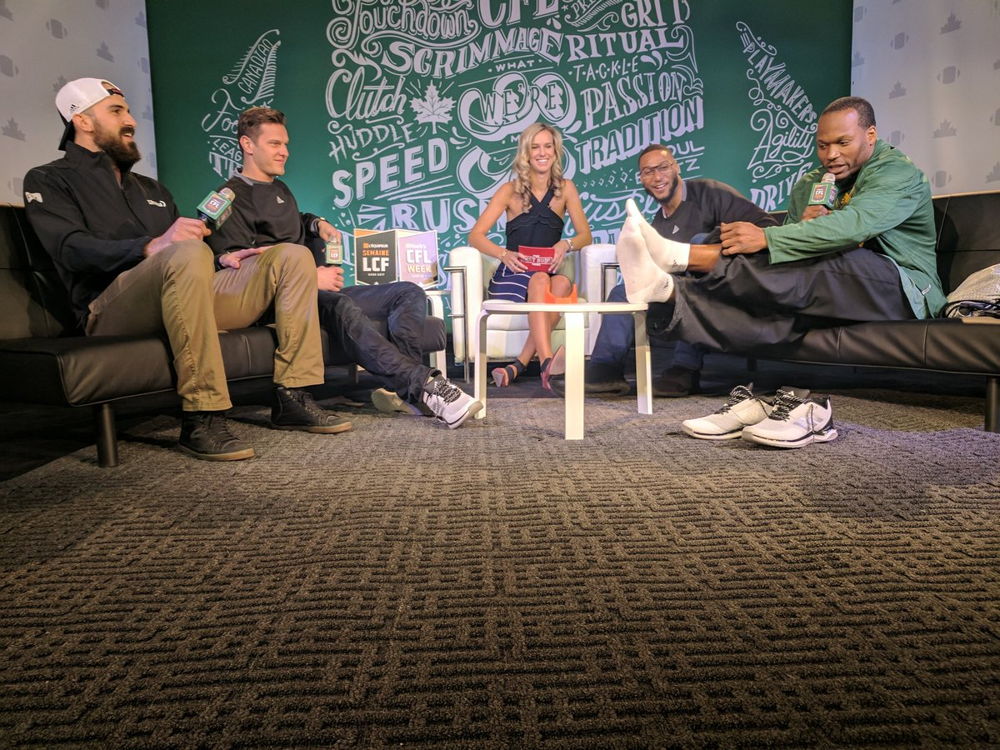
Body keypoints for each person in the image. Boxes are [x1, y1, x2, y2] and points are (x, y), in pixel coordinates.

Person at [23, 78, 351, 462]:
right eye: (116, 111)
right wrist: (152, 246)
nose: (130, 120)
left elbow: (192, 256)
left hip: (178, 297)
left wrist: (222, 258)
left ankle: (294, 396)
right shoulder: (49, 179)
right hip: (107, 309)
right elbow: (69, 249)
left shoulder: (152, 189)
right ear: (81, 120)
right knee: (183, 252)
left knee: (291, 256)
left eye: (128, 111)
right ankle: (203, 415)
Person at [616, 96, 945, 444]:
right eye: (822, 145)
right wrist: (795, 231)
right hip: (840, 287)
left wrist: (775, 236)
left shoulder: (896, 172)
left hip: (902, 287)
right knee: (768, 275)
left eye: (842, 143)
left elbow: (854, 227)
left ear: (871, 135)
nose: (831, 154)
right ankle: (667, 290)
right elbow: (795, 243)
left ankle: (678, 256)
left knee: (817, 261)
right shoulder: (814, 182)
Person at [206, 107, 481, 429]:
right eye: (275, 144)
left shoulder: (279, 188)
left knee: (407, 292)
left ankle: (405, 390)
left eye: (286, 144)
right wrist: (311, 278)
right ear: (247, 145)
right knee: (340, 303)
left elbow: (290, 225)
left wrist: (315, 223)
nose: (284, 152)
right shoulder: (227, 197)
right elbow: (238, 266)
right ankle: (427, 387)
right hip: (277, 303)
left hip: (314, 293)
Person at [573, 143, 778, 397]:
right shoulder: (659, 223)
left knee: (697, 250)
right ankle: (605, 369)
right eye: (648, 172)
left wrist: (715, 246)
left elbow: (767, 226)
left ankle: (683, 369)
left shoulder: (709, 193)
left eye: (662, 168)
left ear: (677, 167)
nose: (657, 177)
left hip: (722, 287)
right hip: (675, 295)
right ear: (641, 179)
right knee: (622, 291)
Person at [468, 123, 593, 391]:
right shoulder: (508, 191)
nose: (542, 153)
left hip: (545, 277)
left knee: (560, 284)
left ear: (556, 151)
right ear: (525, 153)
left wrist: (565, 244)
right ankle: (547, 360)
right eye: (535, 147)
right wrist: (503, 254)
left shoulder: (566, 189)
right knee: (542, 280)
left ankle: (519, 365)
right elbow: (475, 236)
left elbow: (586, 235)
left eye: (548, 146)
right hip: (513, 277)